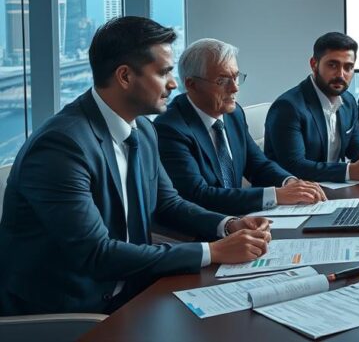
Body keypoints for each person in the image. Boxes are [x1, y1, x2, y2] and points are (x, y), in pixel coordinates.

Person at [0, 17, 271, 316]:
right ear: (125, 76)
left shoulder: (143, 129)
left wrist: (228, 224)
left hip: (134, 293)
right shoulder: (61, 147)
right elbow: (97, 254)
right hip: (68, 313)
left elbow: (168, 204)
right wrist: (213, 251)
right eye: (164, 72)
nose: (173, 83)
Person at [156, 39, 327, 216]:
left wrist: (289, 182)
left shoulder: (233, 113)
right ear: (191, 84)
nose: (235, 88)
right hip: (204, 228)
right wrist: (275, 195)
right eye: (222, 81)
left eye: (236, 77)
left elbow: (258, 165)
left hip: (241, 217)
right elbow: (199, 195)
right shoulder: (170, 129)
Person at [265, 32, 359, 182]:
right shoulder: (288, 107)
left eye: (348, 67)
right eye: (332, 65)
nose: (341, 75)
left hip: (332, 189)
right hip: (294, 194)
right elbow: (294, 165)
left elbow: (358, 147)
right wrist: (348, 171)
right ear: (314, 64)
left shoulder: (348, 101)